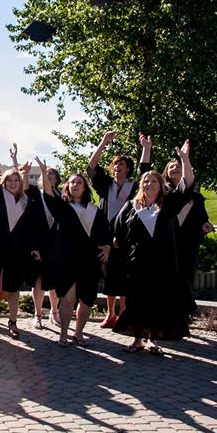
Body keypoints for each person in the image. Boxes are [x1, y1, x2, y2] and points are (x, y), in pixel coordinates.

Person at [113, 140, 196, 355]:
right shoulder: (132, 206)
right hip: (137, 263)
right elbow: (118, 228)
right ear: (141, 186)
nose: (149, 184)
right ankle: (137, 339)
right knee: (137, 302)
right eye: (146, 181)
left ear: (160, 186)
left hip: (163, 263)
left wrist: (185, 159)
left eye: (153, 181)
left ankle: (153, 340)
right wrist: (117, 244)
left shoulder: (169, 204)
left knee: (159, 302)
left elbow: (187, 183)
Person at [36, 158, 111, 347]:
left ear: (85, 187)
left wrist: (107, 246)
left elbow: (104, 234)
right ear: (67, 187)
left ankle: (78, 333)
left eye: (79, 182)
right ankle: (63, 334)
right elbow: (48, 193)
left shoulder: (95, 211)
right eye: (72, 182)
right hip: (67, 260)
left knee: (86, 300)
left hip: (90, 260)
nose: (75, 185)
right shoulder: (62, 207)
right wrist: (44, 173)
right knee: (68, 299)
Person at [0, 137, 43, 341]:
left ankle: (13, 322)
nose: (13, 183)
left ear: (20, 183)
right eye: (9, 181)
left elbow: (32, 228)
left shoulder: (26, 202)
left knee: (14, 289)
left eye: (16, 180)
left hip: (17, 252)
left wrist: (34, 247)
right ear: (4, 183)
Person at [86, 131, 152, 328]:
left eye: (121, 164)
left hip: (127, 237)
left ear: (128, 168)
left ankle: (124, 313)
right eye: (115, 164)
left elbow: (145, 171)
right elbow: (91, 167)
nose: (117, 167)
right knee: (109, 275)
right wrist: (103, 142)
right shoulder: (106, 185)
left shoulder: (135, 187)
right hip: (105, 236)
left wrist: (146, 149)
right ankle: (110, 314)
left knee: (125, 275)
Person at [162, 157, 213, 318]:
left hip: (189, 243)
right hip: (168, 242)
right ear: (166, 172)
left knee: (186, 275)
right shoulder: (163, 193)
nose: (175, 169)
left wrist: (205, 224)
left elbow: (202, 217)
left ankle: (183, 311)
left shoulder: (196, 197)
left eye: (178, 166)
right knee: (169, 276)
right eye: (171, 167)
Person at [19, 151, 62, 329]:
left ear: (57, 179)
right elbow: (24, 187)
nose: (48, 175)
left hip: (56, 244)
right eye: (46, 173)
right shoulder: (35, 193)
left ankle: (55, 312)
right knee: (37, 280)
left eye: (51, 173)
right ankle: (37, 315)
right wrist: (25, 173)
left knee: (54, 280)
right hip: (37, 244)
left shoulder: (62, 196)